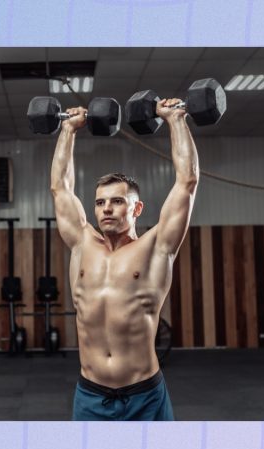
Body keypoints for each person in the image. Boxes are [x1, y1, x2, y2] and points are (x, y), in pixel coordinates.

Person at [50, 98, 199, 421]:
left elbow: (186, 182)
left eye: (117, 201)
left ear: (136, 208)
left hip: (144, 395)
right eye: (100, 202)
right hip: (90, 394)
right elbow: (60, 188)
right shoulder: (81, 243)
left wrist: (175, 120)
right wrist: (68, 130)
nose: (106, 209)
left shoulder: (156, 248)